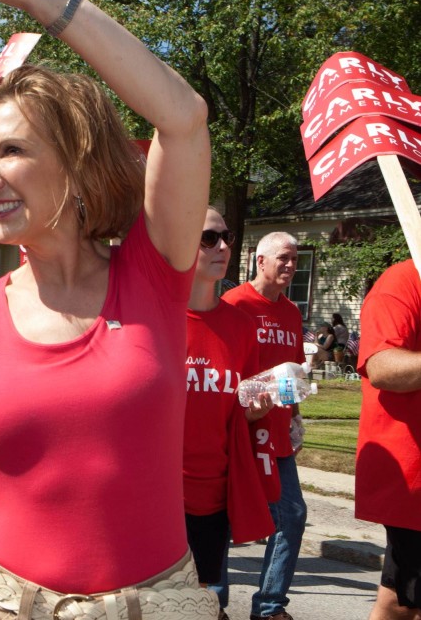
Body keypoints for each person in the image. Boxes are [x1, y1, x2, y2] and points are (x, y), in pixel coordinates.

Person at [0, 0, 214, 620]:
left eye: (10, 151)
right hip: (4, 606)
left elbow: (182, 118)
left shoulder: (153, 271)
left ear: (76, 161)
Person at [183, 209, 274, 607]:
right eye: (208, 238)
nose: (222, 246)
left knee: (201, 603)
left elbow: (242, 404)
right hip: (157, 494)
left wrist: (258, 407)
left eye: (226, 236)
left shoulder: (240, 326)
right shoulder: (154, 320)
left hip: (214, 495)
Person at [220, 232, 307, 620]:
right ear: (261, 261)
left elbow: (293, 372)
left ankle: (270, 607)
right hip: (237, 431)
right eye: (283, 259)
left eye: (294, 260)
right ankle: (213, 604)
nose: (290, 265)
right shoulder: (234, 304)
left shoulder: (291, 312)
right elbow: (222, 370)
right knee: (221, 519)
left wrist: (298, 418)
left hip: (277, 436)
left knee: (292, 515)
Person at [354, 260, 421, 620]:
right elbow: (381, 367)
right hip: (412, 474)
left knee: (399, 600)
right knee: (405, 603)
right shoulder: (403, 280)